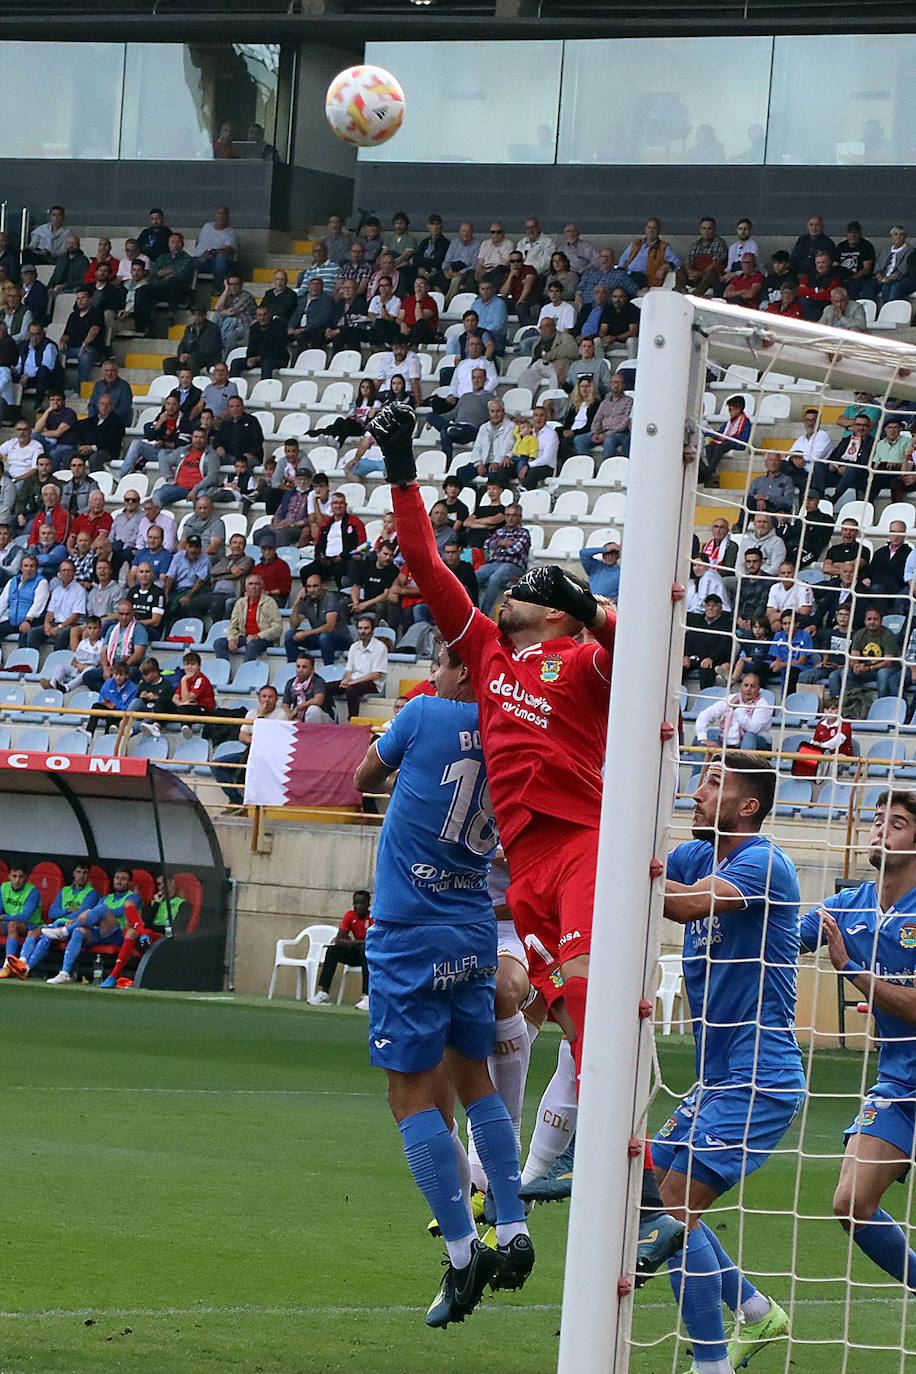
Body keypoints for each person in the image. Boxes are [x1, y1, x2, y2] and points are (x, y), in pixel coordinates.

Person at [366, 402, 680, 1276]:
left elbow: (648, 655)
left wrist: (594, 606)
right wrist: (402, 466)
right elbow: (426, 565)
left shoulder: (583, 661)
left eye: (525, 591)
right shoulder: (489, 662)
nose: (504, 595)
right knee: (546, 1017)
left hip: (582, 842)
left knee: (589, 1017)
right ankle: (536, 1202)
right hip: (524, 872)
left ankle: (650, 1196)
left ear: (554, 615)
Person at [353, 641, 533, 1326]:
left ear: (461, 668)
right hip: (474, 925)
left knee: (408, 1098)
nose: (430, 674)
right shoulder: (511, 732)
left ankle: (463, 1255)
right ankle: (512, 1227)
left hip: (409, 929)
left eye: (439, 661)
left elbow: (361, 780)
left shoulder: (423, 714)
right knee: (475, 1080)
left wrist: (397, 764)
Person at [657, 754, 804, 1373]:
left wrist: (609, 875)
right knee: (642, 1200)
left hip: (760, 1078)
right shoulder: (699, 857)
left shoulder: (764, 861)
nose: (697, 792)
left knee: (667, 1216)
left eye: (714, 783)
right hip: (719, 1079)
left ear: (748, 805)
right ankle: (752, 1310)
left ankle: (710, 1364)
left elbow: (685, 906)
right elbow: (664, 872)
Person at [798, 791, 916, 1294]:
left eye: (898, 823)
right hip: (901, 1083)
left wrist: (852, 970)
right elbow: (782, 937)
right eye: (876, 820)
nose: (880, 830)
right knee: (850, 1203)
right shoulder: (848, 908)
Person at [26, 868, 141, 986]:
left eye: (123, 879)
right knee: (79, 931)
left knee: (102, 909)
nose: (119, 881)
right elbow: (92, 916)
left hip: (119, 934)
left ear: (130, 883)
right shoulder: (106, 898)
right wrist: (74, 920)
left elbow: (118, 912)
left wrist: (92, 911)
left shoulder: (133, 898)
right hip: (100, 931)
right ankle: (64, 973)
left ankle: (65, 931)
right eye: (117, 878)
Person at [99, 874, 186, 988]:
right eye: (159, 884)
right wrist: (155, 904)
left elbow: (178, 928)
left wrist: (148, 927)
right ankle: (112, 977)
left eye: (164, 883)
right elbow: (145, 920)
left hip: (164, 939)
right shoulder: (154, 903)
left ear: (172, 884)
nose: (161, 887)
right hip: (145, 934)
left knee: (136, 928)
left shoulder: (182, 904)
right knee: (129, 912)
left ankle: (113, 975)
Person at [312, 890, 372, 1010]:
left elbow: (373, 942)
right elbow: (338, 940)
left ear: (368, 905)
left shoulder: (372, 918)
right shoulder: (350, 916)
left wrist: (352, 943)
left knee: (365, 949)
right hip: (357, 953)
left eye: (361, 903)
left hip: (371, 956)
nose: (358, 906)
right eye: (355, 903)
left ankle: (367, 996)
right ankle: (324, 992)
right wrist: (354, 943)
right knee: (332, 951)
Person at [329, 615, 388, 719]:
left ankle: (353, 720)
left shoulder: (380, 647)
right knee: (326, 688)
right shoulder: (354, 646)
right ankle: (332, 715)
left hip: (372, 684)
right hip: (354, 681)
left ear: (373, 630)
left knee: (351, 690)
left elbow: (376, 674)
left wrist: (353, 682)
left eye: (366, 628)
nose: (363, 631)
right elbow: (349, 670)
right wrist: (345, 680)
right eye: (360, 628)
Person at [476, 505, 530, 616]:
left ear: (520, 517)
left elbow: (515, 550)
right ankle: (472, 608)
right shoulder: (499, 531)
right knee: (475, 575)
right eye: (508, 515)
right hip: (495, 563)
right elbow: (487, 544)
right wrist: (501, 543)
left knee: (494, 578)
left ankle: (483, 614)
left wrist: (500, 545)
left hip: (514, 565)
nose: (510, 518)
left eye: (513, 515)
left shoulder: (524, 533)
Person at [695, 672, 773, 750]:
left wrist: (737, 708)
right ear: (741, 687)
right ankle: (705, 761)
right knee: (702, 738)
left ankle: (742, 761)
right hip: (728, 743)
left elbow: (753, 729)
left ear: (759, 689)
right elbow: (704, 715)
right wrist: (703, 739)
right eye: (746, 685)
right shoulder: (730, 699)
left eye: (752, 686)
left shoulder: (763, 704)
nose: (748, 689)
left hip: (756, 743)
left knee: (749, 736)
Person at [214, 574, 282, 662]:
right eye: (251, 584)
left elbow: (277, 627)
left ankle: (245, 672)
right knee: (219, 643)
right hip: (244, 637)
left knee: (252, 645)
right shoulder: (240, 603)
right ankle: (224, 671)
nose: (254, 587)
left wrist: (258, 636)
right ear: (246, 587)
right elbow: (233, 625)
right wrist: (231, 639)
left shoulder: (269, 602)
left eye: (257, 584)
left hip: (263, 638)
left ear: (262, 586)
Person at [285, 574, 350, 665]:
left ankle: (328, 668)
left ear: (322, 586)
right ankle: (294, 668)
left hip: (339, 637)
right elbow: (293, 626)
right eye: (309, 587)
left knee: (324, 637)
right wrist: (296, 604)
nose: (312, 590)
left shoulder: (330, 597)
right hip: (319, 637)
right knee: (289, 635)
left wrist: (307, 633)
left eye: (315, 586)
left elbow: (330, 626)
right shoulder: (306, 599)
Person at [0, 864, 41, 977]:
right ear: (9, 876)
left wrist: (4, 917)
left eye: (21, 877)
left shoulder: (33, 891)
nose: (17, 880)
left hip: (31, 925)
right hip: (9, 924)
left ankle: (7, 966)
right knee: (11, 925)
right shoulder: (4, 887)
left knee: (12, 925)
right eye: (14, 876)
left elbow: (25, 916)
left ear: (26, 878)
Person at [701, 395, 751, 484]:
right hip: (726, 441)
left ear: (738, 409)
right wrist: (707, 433)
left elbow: (743, 438)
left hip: (736, 443)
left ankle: (708, 470)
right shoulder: (729, 422)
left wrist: (728, 438)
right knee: (710, 447)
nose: (730, 412)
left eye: (731, 410)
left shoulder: (746, 422)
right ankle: (709, 470)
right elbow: (720, 433)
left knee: (720, 447)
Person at [0, 554, 49, 643]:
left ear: (37, 568)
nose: (28, 569)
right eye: (26, 566)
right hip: (13, 621)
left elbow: (38, 604)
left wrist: (28, 620)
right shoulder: (13, 581)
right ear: (21, 568)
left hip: (32, 621)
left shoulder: (42, 582)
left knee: (25, 636)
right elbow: (2, 602)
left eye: (32, 566)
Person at [283, 652, 333, 723]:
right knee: (282, 713)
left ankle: (313, 733)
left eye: (304, 667)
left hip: (324, 717)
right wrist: (289, 714)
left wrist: (299, 708)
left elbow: (318, 700)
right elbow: (285, 705)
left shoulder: (318, 681)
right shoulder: (291, 682)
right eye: (298, 666)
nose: (300, 670)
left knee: (313, 710)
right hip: (298, 716)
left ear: (312, 669)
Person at [875, 226, 916, 304]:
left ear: (905, 237)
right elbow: (878, 266)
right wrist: (879, 277)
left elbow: (903, 269)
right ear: (892, 236)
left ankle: (890, 310)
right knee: (868, 286)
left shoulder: (910, 251)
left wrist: (888, 278)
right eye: (896, 234)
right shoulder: (885, 251)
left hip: (896, 278)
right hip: (882, 278)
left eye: (901, 235)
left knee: (893, 287)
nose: (898, 237)